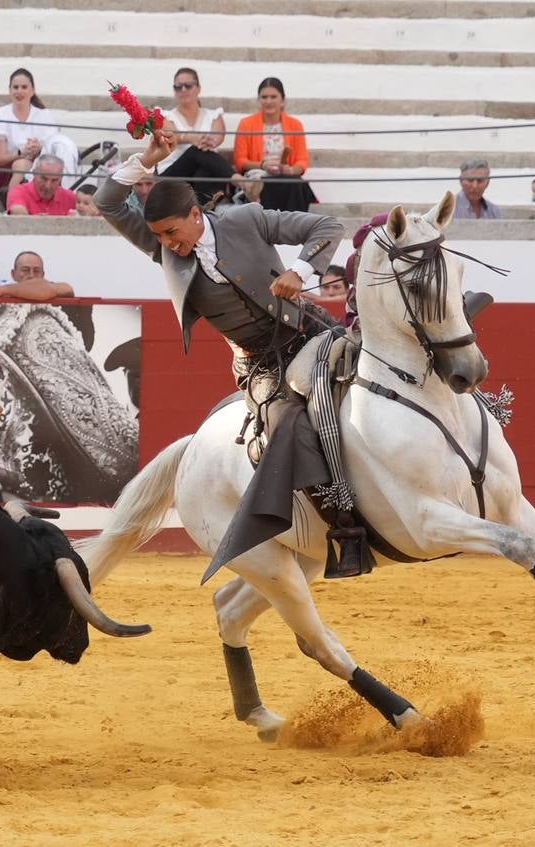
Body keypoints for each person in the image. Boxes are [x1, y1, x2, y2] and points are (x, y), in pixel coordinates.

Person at [96, 127, 344, 574]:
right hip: (260, 363)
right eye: (160, 236)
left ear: (195, 214)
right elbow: (107, 201)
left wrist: (301, 270)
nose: (169, 244)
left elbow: (326, 226)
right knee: (282, 424)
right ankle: (337, 515)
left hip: (310, 330)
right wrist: (145, 159)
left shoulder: (245, 219)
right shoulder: (165, 249)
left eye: (172, 231)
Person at [0, 67, 80, 197]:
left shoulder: (44, 116)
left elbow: (49, 148)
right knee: (22, 164)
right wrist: (22, 153)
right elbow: (0, 159)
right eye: (15, 87)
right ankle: (13, 201)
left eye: (24, 87)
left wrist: (38, 148)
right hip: (2, 170)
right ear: (9, 91)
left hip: (35, 167)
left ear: (32, 91)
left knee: (29, 165)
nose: (19, 91)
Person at [232, 77, 316, 212]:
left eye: (273, 97)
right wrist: (263, 164)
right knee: (269, 184)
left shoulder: (295, 125)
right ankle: (270, 226)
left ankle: (294, 227)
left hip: (286, 175)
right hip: (259, 174)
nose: (269, 101)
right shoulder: (246, 124)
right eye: (264, 97)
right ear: (258, 100)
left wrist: (290, 170)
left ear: (282, 100)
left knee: (296, 183)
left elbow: (302, 160)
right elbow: (240, 161)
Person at [157, 67, 235, 205]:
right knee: (195, 150)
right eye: (178, 87)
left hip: (203, 173)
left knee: (202, 169)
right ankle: (239, 181)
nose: (183, 90)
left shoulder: (213, 115)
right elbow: (171, 134)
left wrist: (206, 141)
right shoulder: (166, 117)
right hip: (172, 175)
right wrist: (194, 139)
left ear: (198, 88)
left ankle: (202, 212)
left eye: (188, 85)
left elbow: (217, 139)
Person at [0, 250, 74, 301]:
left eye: (36, 271)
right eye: (25, 270)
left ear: (43, 275)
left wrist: (3, 291)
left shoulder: (1, 290)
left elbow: (68, 289)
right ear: (13, 274)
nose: (31, 275)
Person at [5, 154, 76, 216]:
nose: (48, 186)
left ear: (61, 178)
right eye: (44, 179)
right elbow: (20, 218)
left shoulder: (70, 197)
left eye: (54, 180)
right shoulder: (18, 192)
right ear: (34, 173)